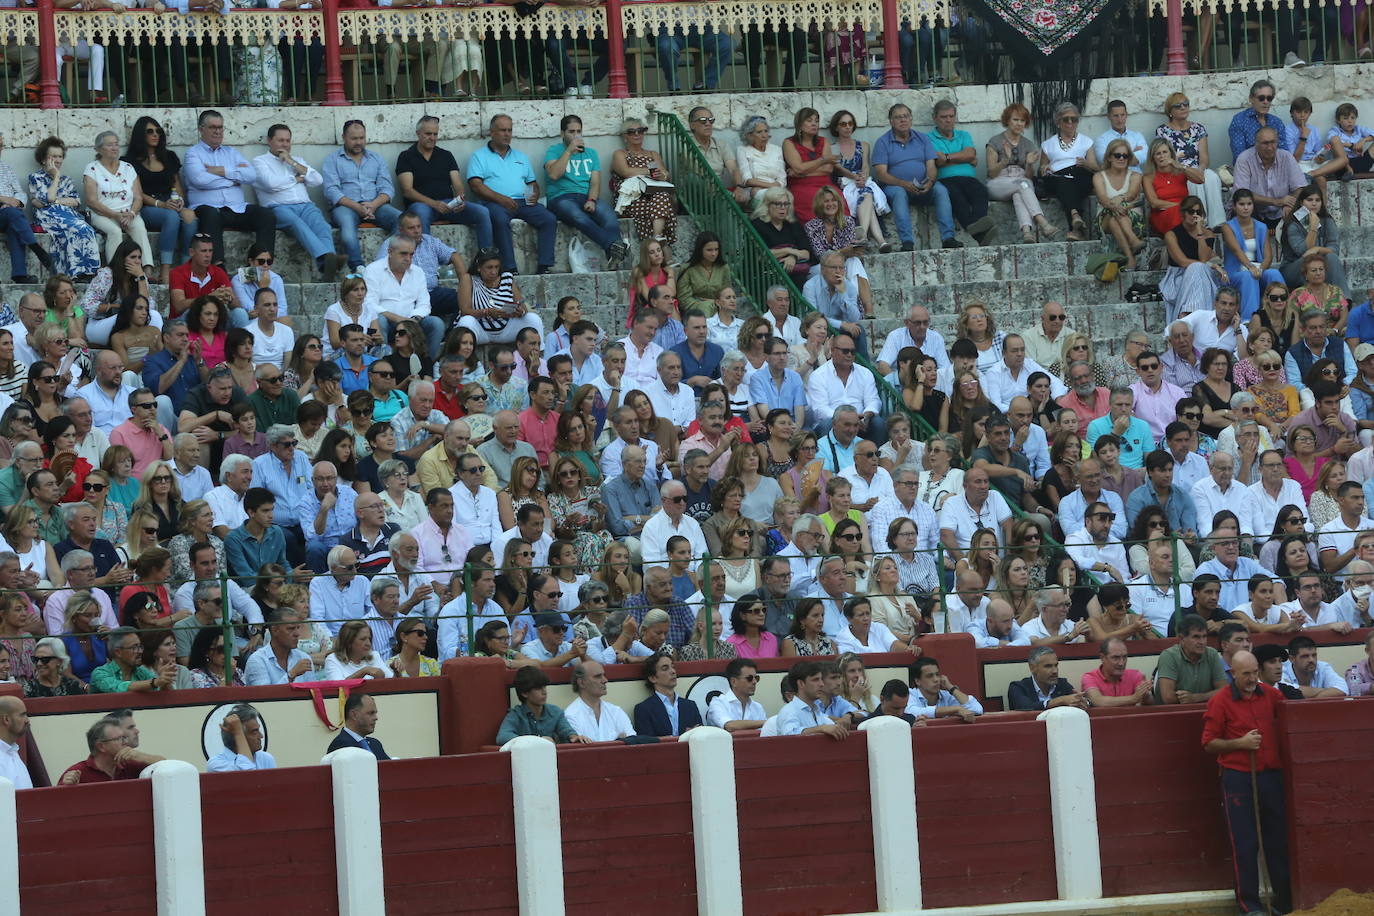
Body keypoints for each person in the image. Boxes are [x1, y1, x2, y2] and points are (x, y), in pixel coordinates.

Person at [1201, 649, 1293, 916]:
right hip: (1238, 778)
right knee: (1245, 843)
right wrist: (1240, 743)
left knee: (1278, 840)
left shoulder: (1273, 695)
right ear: (1233, 673)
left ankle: (1283, 902)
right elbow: (1208, 743)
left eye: (1255, 672)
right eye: (1246, 674)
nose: (1252, 678)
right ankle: (1249, 906)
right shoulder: (1220, 701)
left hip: (1272, 776)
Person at [467, 114, 557, 276]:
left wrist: (535, 193)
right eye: (502, 130)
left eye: (509, 130)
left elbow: (532, 183)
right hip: (494, 202)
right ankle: (509, 268)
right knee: (500, 220)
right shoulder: (479, 156)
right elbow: (475, 185)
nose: (507, 134)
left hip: (522, 202)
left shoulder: (520, 156)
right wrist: (502, 199)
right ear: (492, 132)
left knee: (549, 219)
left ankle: (544, 265)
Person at [183, 111, 274, 269]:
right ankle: (219, 267)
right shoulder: (193, 153)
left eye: (220, 127)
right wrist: (234, 179)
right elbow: (199, 180)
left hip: (236, 207)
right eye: (212, 127)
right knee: (210, 215)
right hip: (208, 207)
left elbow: (251, 175)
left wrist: (221, 171)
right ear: (201, 129)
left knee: (266, 215)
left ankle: (260, 263)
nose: (217, 131)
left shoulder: (231, 153)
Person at [321, 120, 400, 272]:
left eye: (361, 138)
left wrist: (374, 204)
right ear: (344, 137)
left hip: (375, 206)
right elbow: (331, 191)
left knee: (402, 220)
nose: (358, 142)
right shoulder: (333, 160)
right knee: (347, 230)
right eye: (354, 138)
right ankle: (358, 267)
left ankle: (385, 263)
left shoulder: (376, 159)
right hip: (346, 207)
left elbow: (387, 188)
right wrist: (357, 207)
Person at [873, 103, 952, 251]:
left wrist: (930, 181)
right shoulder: (882, 142)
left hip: (922, 185)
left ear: (911, 119)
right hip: (894, 187)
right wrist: (904, 184)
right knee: (899, 193)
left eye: (906, 116)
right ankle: (907, 242)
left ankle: (948, 238)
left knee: (941, 190)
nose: (903, 120)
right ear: (891, 121)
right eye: (898, 117)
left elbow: (931, 165)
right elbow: (881, 174)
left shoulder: (922, 138)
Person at [28, 137, 100, 279]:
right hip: (47, 216)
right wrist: (55, 178)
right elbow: (47, 200)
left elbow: (76, 201)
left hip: (67, 215)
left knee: (86, 229)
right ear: (44, 159)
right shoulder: (36, 177)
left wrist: (55, 200)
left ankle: (88, 272)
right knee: (79, 228)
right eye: (54, 156)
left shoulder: (67, 179)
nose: (58, 160)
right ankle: (78, 273)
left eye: (60, 156)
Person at [83, 130, 152, 266]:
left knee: (139, 229)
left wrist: (132, 213)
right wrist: (114, 215)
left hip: (128, 213)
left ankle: (147, 269)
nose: (114, 148)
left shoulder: (128, 167)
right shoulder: (92, 169)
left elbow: (138, 197)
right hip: (101, 214)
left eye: (116, 144)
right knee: (114, 232)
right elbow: (91, 201)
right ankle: (115, 272)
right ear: (99, 149)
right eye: (109, 145)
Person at [496, 666, 588, 746]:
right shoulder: (516, 714)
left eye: (544, 687)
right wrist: (537, 740)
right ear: (524, 693)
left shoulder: (555, 712)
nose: (544, 692)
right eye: (538, 688)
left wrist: (575, 737)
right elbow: (502, 737)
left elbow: (568, 732)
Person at [59, 716, 163, 785]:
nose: (125, 742)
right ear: (101, 747)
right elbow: (55, 807)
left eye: (124, 737)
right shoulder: (78, 772)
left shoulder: (130, 764)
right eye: (119, 739)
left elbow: (167, 765)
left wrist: (142, 757)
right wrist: (68, 787)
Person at [1156, 614, 1229, 704]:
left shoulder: (1212, 654)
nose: (1202, 642)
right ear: (1182, 638)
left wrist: (1195, 698)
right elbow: (1168, 697)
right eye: (1196, 637)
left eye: (1204, 636)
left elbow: (1224, 691)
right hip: (1170, 715)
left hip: (1205, 713)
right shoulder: (1169, 656)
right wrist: (1207, 696)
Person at [562, 659, 632, 742]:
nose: (605, 680)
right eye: (598, 676)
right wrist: (618, 740)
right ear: (582, 683)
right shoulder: (571, 715)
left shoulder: (616, 711)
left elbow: (632, 742)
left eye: (604, 675)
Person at [1006, 646, 1087, 711]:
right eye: (1048, 666)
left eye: (1056, 665)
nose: (1055, 671)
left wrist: (1082, 701)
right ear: (1033, 668)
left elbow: (1077, 700)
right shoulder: (1018, 687)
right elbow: (1026, 707)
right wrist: (1060, 700)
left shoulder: (1062, 684)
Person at [904, 656, 983, 721]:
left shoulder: (947, 695)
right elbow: (912, 712)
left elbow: (977, 709)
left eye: (937, 674)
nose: (936, 679)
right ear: (918, 681)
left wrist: (951, 688)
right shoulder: (910, 694)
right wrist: (956, 709)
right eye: (929, 676)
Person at [1081, 636, 1153, 706]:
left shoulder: (1135, 675)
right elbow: (1098, 701)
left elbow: (1148, 704)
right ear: (1102, 658)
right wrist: (1133, 698)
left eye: (1124, 657)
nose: (1121, 663)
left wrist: (1145, 696)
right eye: (1116, 658)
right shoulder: (1089, 677)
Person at [326, 693, 391, 760]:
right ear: (354, 715)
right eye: (371, 713)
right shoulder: (341, 745)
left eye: (375, 713)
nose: (376, 718)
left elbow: (390, 768)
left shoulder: (375, 744)